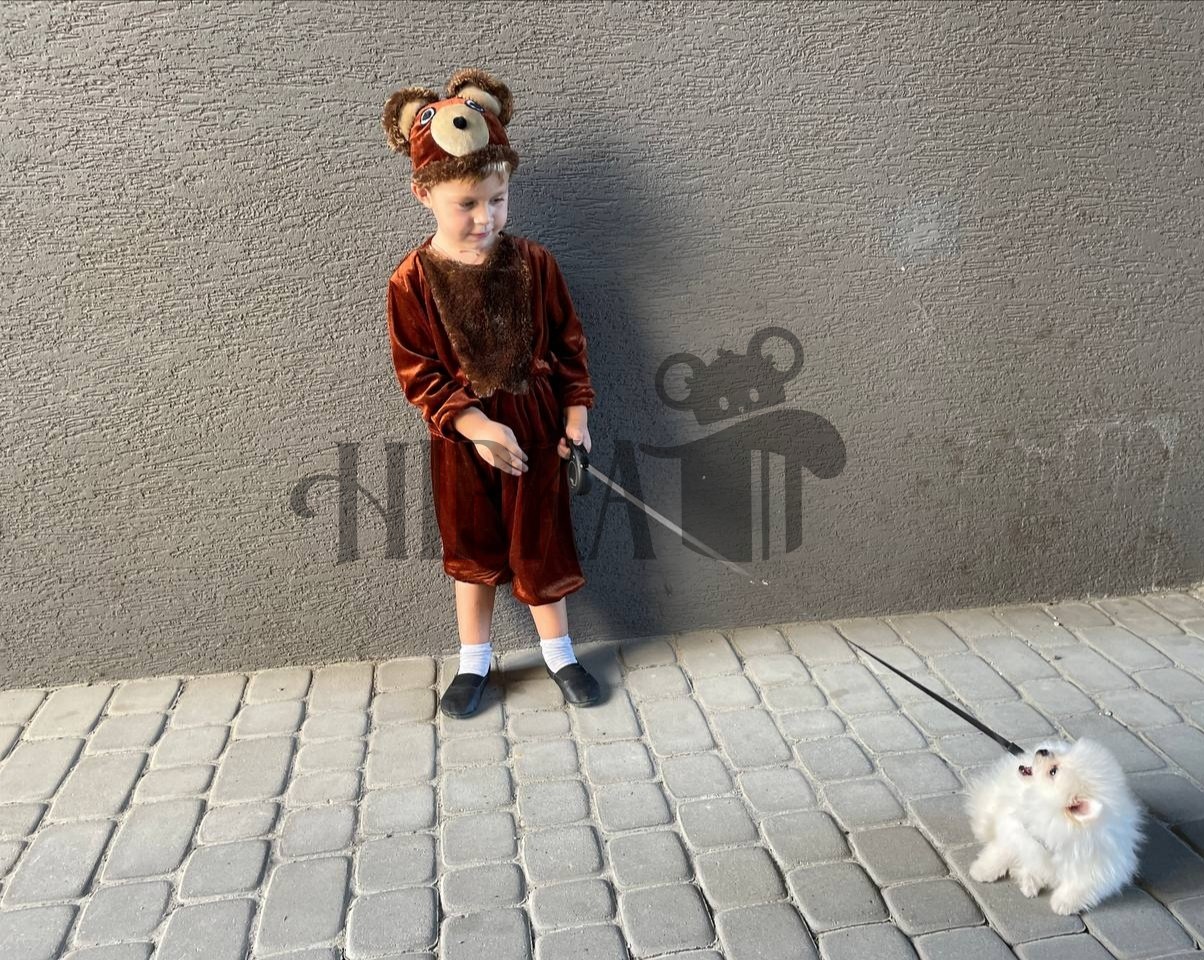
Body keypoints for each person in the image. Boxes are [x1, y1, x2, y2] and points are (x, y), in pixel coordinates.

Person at [382, 67, 602, 719]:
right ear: (424, 193)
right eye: (468, 204)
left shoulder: (536, 264)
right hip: (463, 440)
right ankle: (473, 660)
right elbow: (417, 371)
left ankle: (559, 652)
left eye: (498, 200)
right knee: (472, 550)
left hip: (536, 428)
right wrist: (475, 425)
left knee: (541, 540)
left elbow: (569, 344)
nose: (486, 218)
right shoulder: (410, 281)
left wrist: (576, 414)